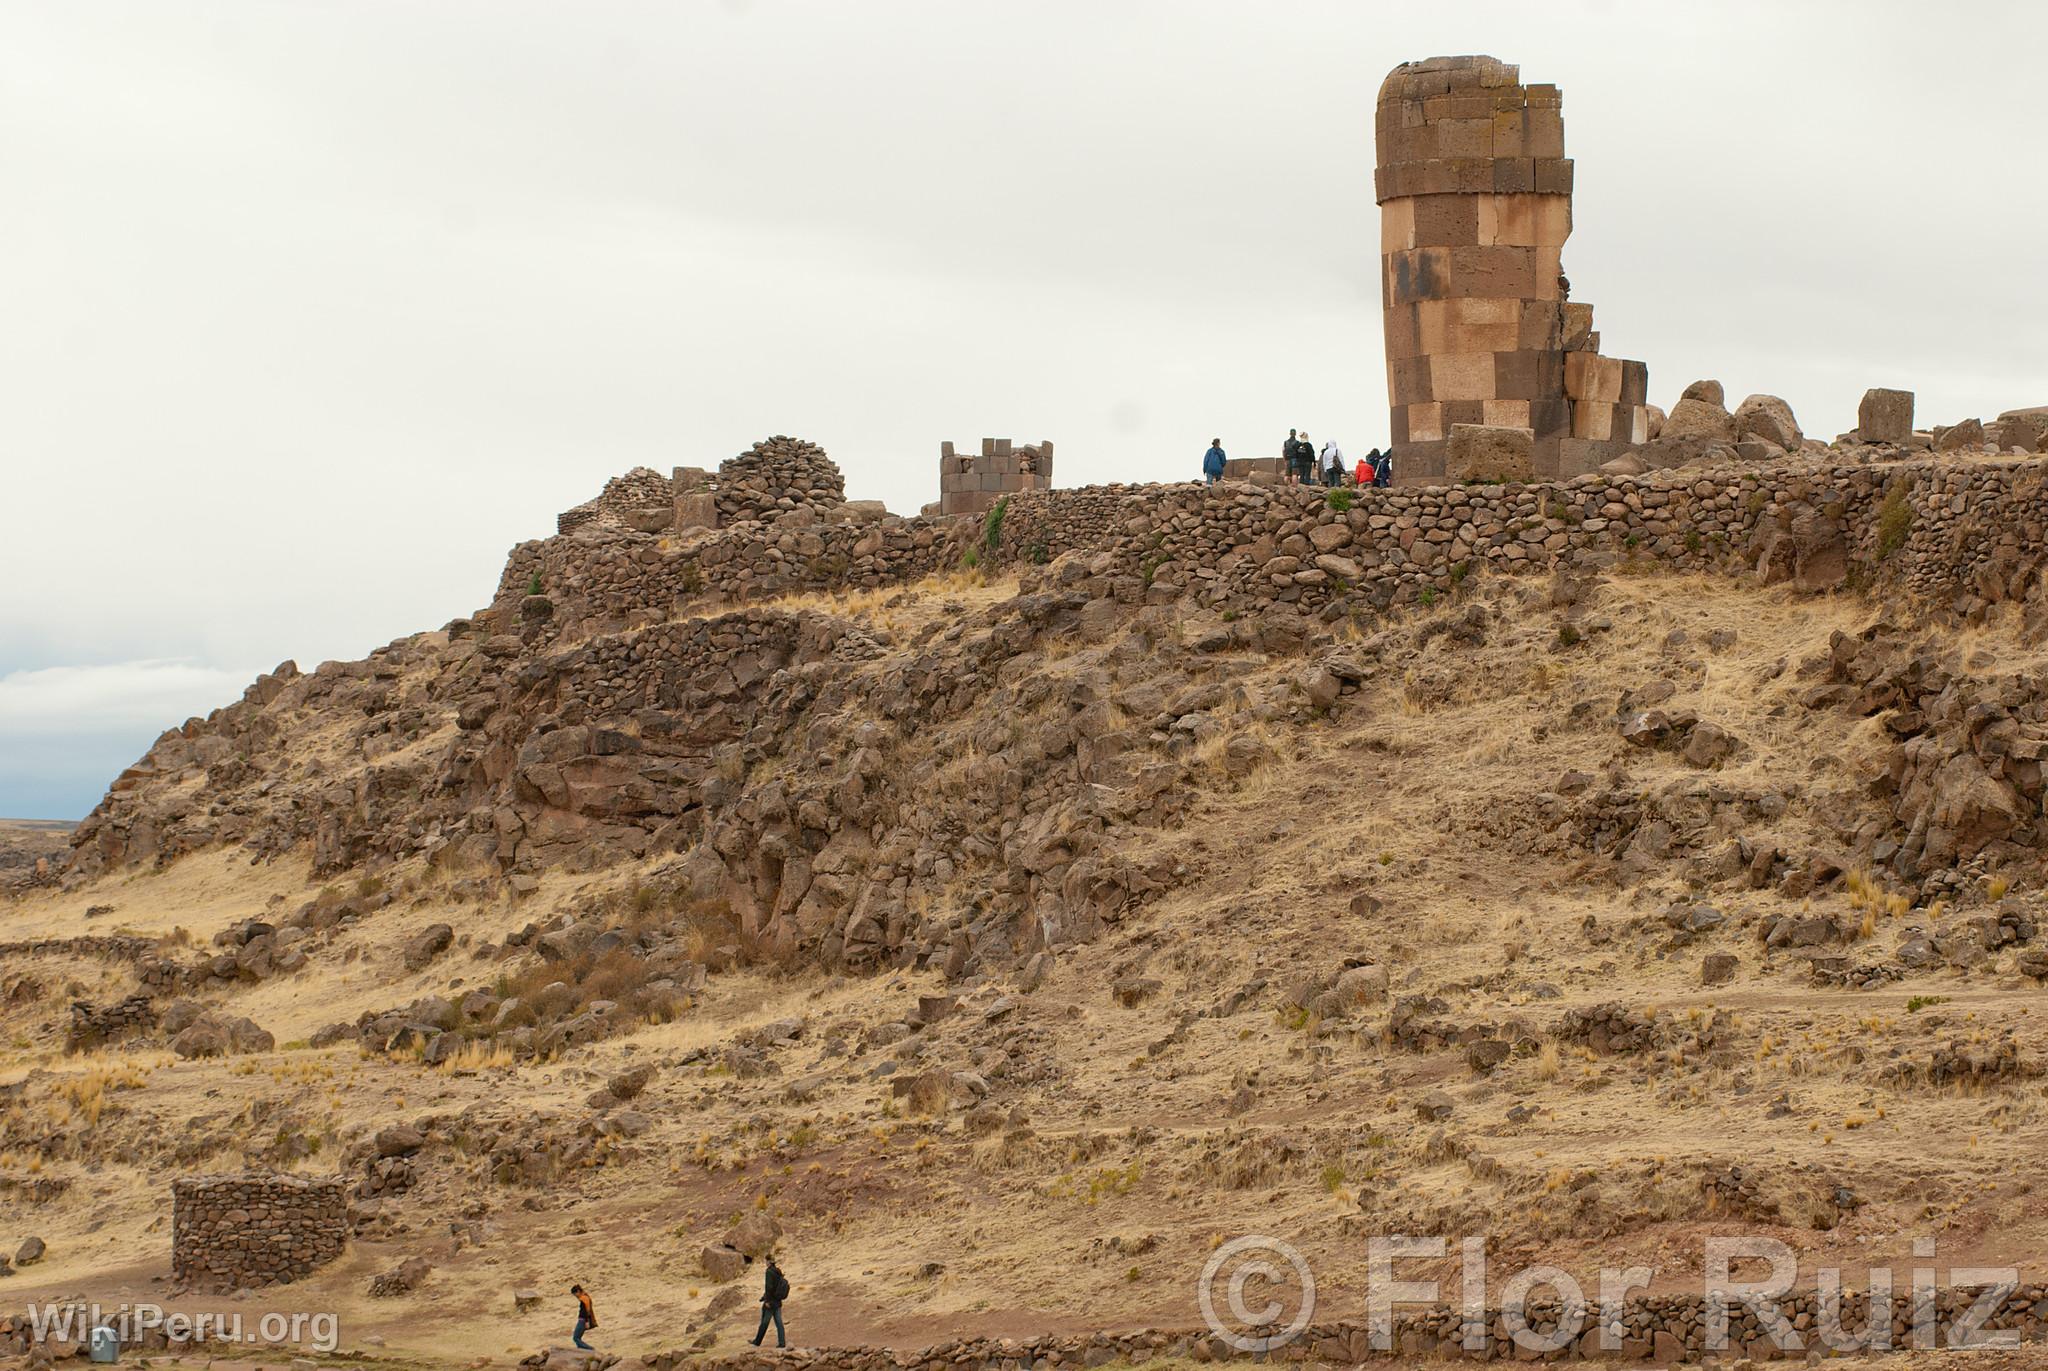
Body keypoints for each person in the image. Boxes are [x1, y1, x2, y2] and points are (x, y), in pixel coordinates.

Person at [752, 1255, 791, 1348]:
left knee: (764, 1322)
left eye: (766, 1261)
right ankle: (782, 1343)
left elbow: (769, 1287)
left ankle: (757, 1341)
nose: (765, 1262)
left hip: (771, 1301)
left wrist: (767, 1301)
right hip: (778, 1301)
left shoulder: (769, 1272)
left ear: (769, 1261)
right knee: (779, 1322)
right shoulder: (778, 1271)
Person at [570, 1284, 597, 1350]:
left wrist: (587, 1322)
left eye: (575, 1294)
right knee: (577, 1338)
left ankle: (590, 1349)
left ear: (578, 1291)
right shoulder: (585, 1298)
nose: (575, 1296)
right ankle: (581, 1351)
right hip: (582, 1320)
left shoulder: (584, 1299)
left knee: (576, 1338)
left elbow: (586, 1311)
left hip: (582, 1320)